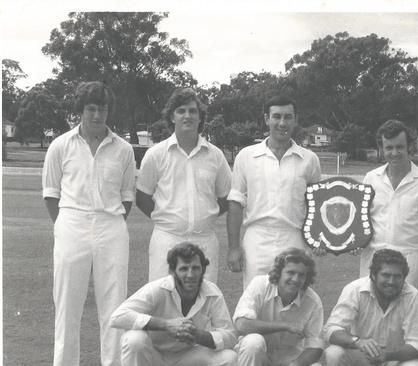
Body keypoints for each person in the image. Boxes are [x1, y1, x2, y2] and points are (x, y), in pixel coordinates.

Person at [42, 81, 136, 366]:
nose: (97, 115)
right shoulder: (60, 146)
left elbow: (127, 197)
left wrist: (108, 220)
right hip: (71, 222)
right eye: (91, 109)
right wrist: (68, 226)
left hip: (111, 226)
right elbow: (51, 194)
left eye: (103, 109)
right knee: (68, 305)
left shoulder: (123, 149)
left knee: (114, 305)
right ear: (80, 111)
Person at [136, 88, 231, 284]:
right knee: (164, 301)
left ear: (200, 117)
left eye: (192, 111)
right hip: (167, 240)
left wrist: (203, 216)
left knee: (203, 304)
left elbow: (225, 198)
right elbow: (142, 197)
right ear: (172, 116)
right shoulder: (156, 154)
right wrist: (168, 216)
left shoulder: (215, 155)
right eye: (181, 111)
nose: (187, 116)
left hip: (205, 241)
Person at [227, 95, 321, 288]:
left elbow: (316, 206)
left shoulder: (309, 159)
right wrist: (234, 248)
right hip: (257, 240)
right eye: (276, 116)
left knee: (294, 300)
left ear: (295, 119)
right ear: (266, 119)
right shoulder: (246, 156)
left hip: (295, 238)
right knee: (255, 299)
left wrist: (318, 240)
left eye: (288, 117)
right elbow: (235, 203)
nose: (282, 123)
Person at [110, 242, 237, 366]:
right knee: (134, 340)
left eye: (196, 268)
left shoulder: (212, 293)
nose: (190, 274)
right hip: (153, 355)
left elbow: (230, 335)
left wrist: (199, 335)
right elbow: (118, 316)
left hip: (189, 355)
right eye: (184, 269)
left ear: (203, 269)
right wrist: (166, 325)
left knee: (229, 358)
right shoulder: (157, 289)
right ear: (172, 271)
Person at [360, 119, 418, 298]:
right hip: (372, 261)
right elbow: (360, 222)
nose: (394, 153)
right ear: (382, 148)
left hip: (409, 263)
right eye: (389, 148)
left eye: (400, 147)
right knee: (369, 318)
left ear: (409, 147)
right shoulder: (370, 178)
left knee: (404, 320)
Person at [323, 249, 418, 366]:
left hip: (395, 359)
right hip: (361, 357)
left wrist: (387, 355)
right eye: (386, 275)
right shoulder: (354, 289)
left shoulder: (413, 297)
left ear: (404, 277)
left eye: (397, 276)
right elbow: (331, 330)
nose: (391, 282)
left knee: (415, 365)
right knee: (334, 353)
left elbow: (417, 345)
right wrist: (357, 342)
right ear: (373, 275)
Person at [233, 248, 324, 366]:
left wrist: (295, 365)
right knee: (253, 342)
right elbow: (242, 325)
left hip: (290, 359)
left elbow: (315, 346)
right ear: (279, 272)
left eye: (301, 275)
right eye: (291, 273)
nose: (295, 279)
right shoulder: (260, 285)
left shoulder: (313, 301)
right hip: (258, 356)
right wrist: (285, 326)